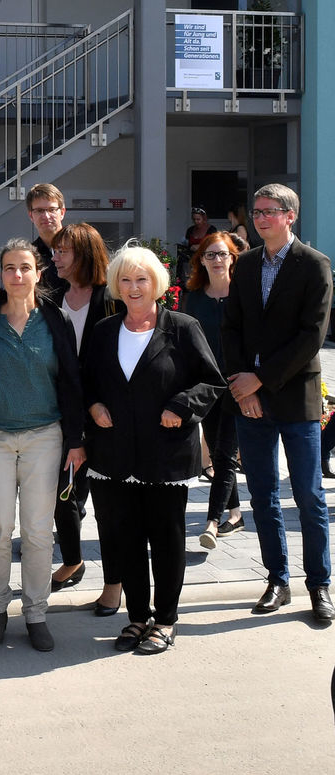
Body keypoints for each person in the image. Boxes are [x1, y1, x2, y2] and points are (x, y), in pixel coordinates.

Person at [83, 244, 224, 655]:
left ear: (157, 283)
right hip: (114, 456)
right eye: (125, 280)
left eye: (141, 279)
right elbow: (86, 381)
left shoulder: (182, 327)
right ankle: (136, 618)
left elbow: (212, 383)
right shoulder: (104, 331)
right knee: (124, 538)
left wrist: (182, 406)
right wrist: (93, 406)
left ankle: (165, 620)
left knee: (165, 538)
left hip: (165, 455)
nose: (133, 287)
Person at [0, 239, 85, 652]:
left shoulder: (54, 319)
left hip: (44, 437)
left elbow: (71, 380)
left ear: (38, 273)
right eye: (9, 267)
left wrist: (75, 439)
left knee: (36, 531)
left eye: (25, 268)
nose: (17, 275)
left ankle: (35, 612)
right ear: (1, 274)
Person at [222, 184, 334, 623]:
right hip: (249, 399)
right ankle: (277, 580)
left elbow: (312, 337)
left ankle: (319, 585)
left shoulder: (315, 265)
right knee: (262, 495)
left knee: (308, 495)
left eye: (270, 211)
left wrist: (260, 381)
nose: (260, 217)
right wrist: (241, 388)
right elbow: (230, 328)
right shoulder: (245, 264)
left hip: (295, 397)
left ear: (291, 216)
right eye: (256, 211)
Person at [47, 223, 120, 611]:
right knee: (62, 494)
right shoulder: (51, 293)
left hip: (103, 414)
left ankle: (115, 583)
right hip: (60, 412)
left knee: (106, 502)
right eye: (55, 251)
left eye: (63, 251)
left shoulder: (111, 297)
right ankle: (73, 560)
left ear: (85, 254)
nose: (55, 257)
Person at [181, 234, 246, 550]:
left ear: (233, 257)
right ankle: (235, 514)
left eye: (222, 254)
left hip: (238, 385)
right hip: (206, 387)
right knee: (219, 451)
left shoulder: (245, 294)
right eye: (210, 255)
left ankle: (210, 521)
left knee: (223, 453)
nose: (217, 260)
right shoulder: (193, 297)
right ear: (201, 261)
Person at [26, 182, 68, 295]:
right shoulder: (29, 255)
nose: (46, 216)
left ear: (62, 212)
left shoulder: (80, 246)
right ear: (31, 215)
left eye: (52, 209)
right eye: (39, 210)